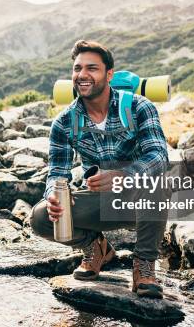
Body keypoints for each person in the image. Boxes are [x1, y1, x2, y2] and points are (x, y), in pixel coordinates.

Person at [30, 40, 169, 298]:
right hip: (98, 201)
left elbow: (159, 156)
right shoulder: (63, 122)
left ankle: (144, 265)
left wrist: (124, 176)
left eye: (92, 68)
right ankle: (96, 248)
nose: (82, 75)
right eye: (77, 68)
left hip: (141, 199)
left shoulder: (139, 107)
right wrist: (54, 194)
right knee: (40, 217)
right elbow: (57, 171)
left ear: (109, 75)